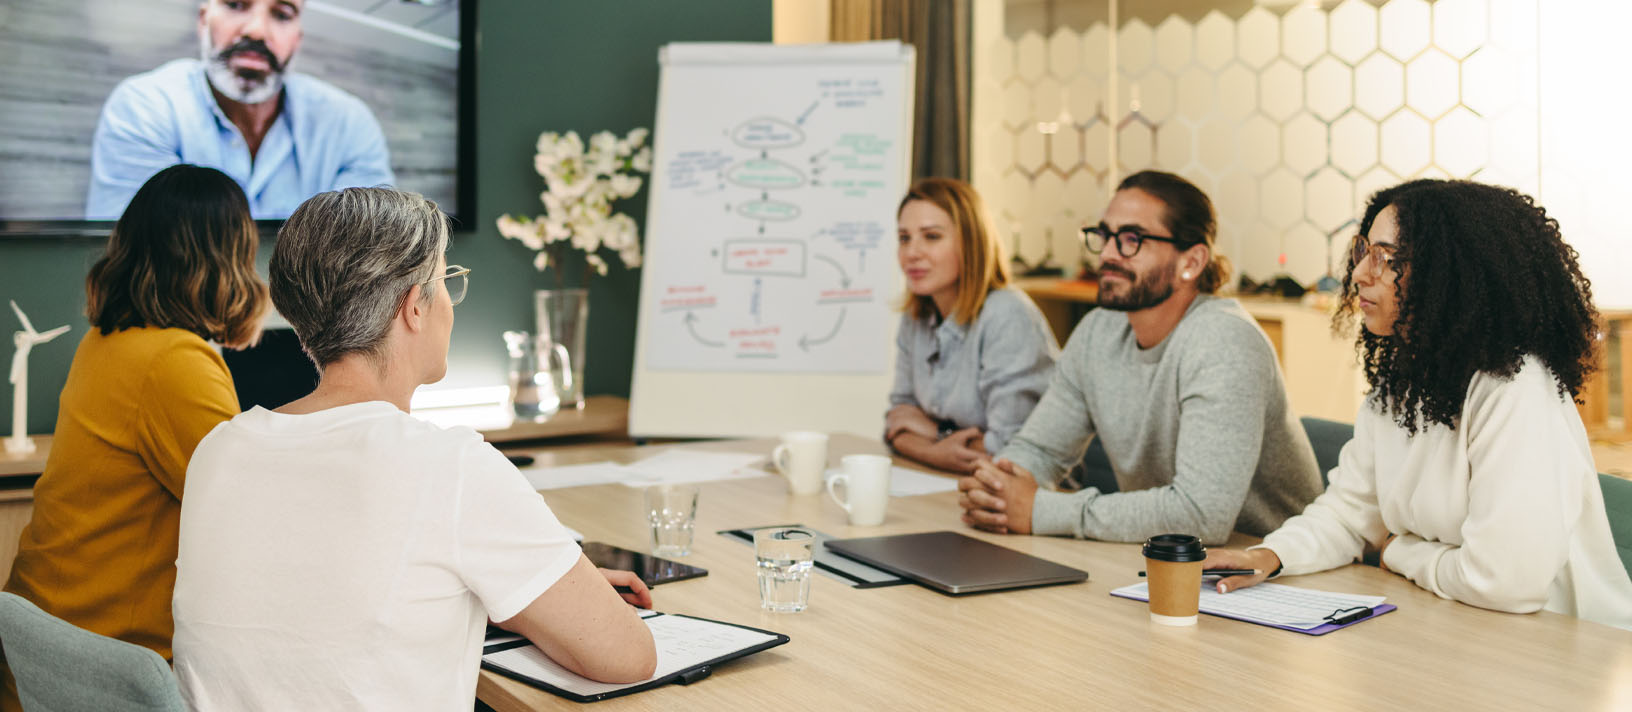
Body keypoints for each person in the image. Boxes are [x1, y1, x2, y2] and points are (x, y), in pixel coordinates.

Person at [171, 187, 657, 709]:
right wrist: (530, 593)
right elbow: (627, 656)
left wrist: (512, 588)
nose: (451, 300)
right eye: (447, 280)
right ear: (413, 309)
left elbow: (310, 598)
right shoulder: (450, 466)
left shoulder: (220, 450)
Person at [1203, 180, 1632, 629]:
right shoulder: (1399, 385)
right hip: (1457, 627)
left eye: (1387, 260)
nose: (1359, 275)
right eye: (1363, 251)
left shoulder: (1514, 388)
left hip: (1563, 650)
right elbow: (1351, 514)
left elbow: (1504, 582)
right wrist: (1268, 556)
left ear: (1450, 275)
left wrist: (1398, 550)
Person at [2, 164, 268, 705]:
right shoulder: (175, 360)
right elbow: (252, 515)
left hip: (42, 650)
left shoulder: (104, 341)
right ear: (225, 257)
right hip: (113, 669)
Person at [957, 170, 1322, 544]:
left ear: (1192, 262)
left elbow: (1200, 514)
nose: (1110, 254)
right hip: (1168, 557)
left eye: (1132, 239)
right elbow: (1040, 450)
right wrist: (997, 488)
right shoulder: (1098, 332)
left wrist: (1038, 510)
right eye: (1105, 236)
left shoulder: (1225, 341)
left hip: (1275, 570)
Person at [85, 0, 394, 220]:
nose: (257, 31)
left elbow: (368, 256)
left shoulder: (350, 123)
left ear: (297, 40)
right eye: (235, 4)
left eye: (282, 13)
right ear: (204, 20)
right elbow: (134, 255)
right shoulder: (145, 106)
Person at [885, 177, 1059, 473]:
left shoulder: (1007, 314)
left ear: (971, 241)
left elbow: (1010, 451)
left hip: (1029, 495)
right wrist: (939, 452)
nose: (912, 252)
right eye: (904, 238)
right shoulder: (916, 315)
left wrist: (934, 436)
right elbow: (897, 423)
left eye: (931, 236)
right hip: (951, 482)